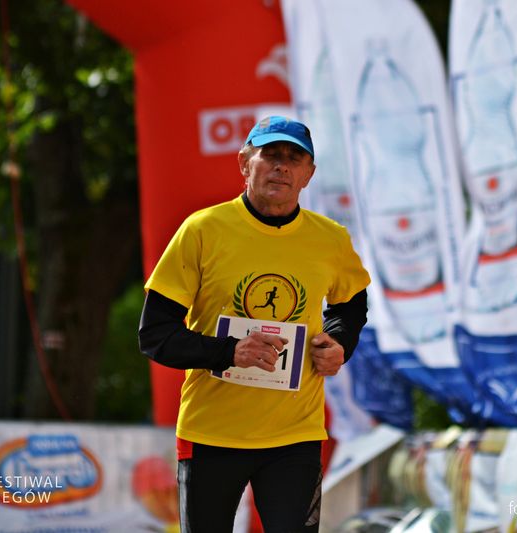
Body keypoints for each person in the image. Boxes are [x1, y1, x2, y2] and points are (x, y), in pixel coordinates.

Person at [139, 115, 370, 532]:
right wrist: (229, 352)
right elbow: (155, 335)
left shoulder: (330, 239)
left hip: (294, 436)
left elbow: (351, 306)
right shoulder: (202, 230)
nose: (281, 166)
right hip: (211, 434)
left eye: (294, 158)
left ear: (308, 174)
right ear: (245, 163)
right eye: (271, 155)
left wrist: (339, 342)